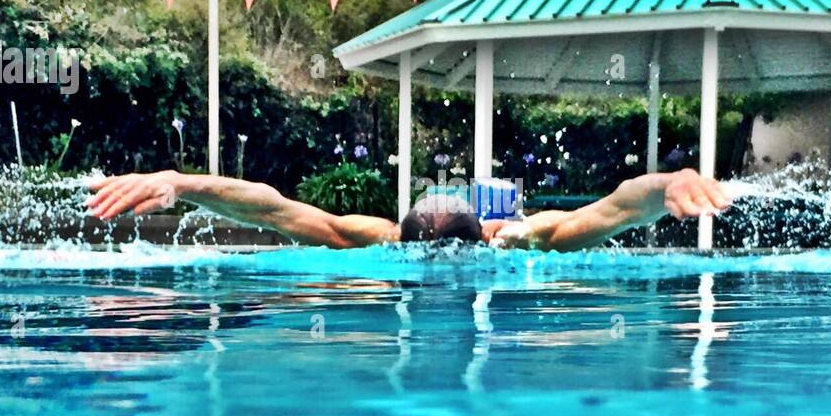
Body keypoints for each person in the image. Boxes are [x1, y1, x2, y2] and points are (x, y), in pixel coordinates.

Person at [85, 167, 731, 252]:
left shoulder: (375, 240)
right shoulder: (523, 239)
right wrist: (666, 184)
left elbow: (273, 208)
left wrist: (184, 182)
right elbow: (618, 206)